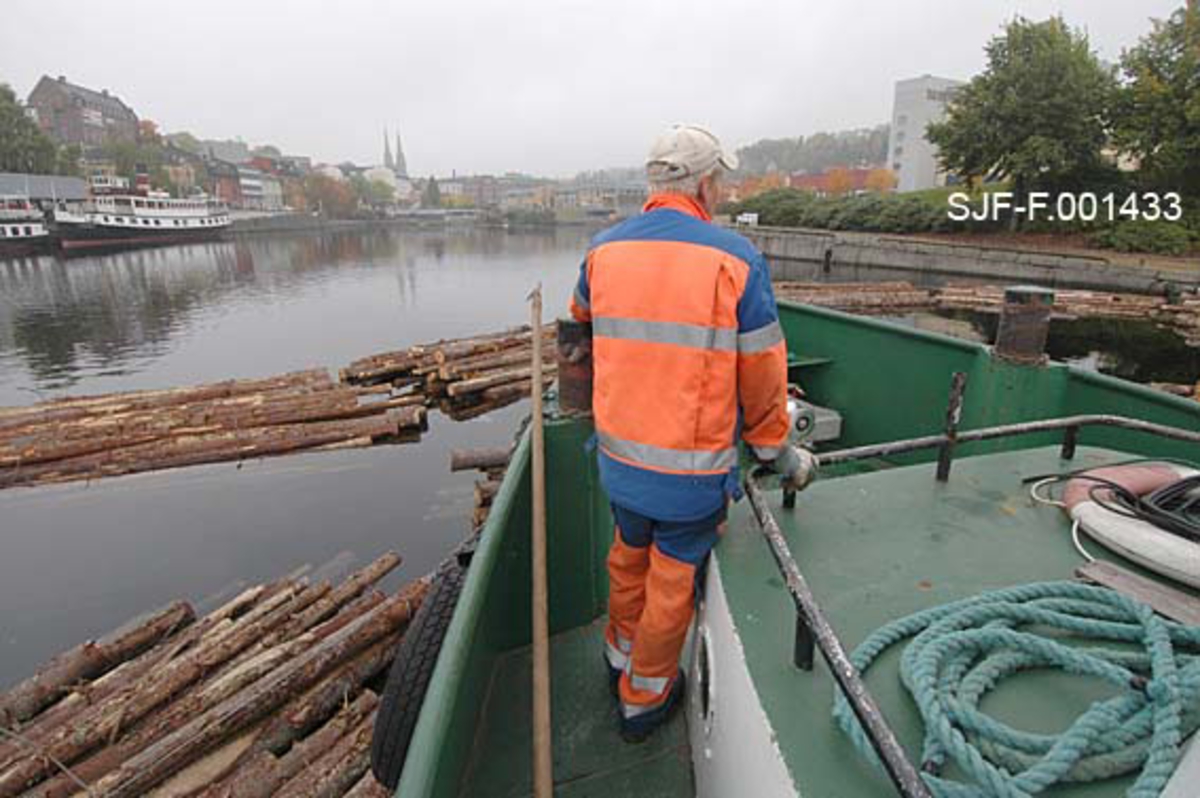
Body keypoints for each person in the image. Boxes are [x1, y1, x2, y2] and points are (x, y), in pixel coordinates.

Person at [568, 124, 815, 742]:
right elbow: (761, 370)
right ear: (706, 183)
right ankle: (643, 700)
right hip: (688, 476)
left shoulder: (602, 251)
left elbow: (579, 332)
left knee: (628, 560)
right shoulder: (734, 258)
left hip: (619, 462)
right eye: (721, 179)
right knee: (672, 582)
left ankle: (617, 656)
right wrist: (772, 448)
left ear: (654, 182)